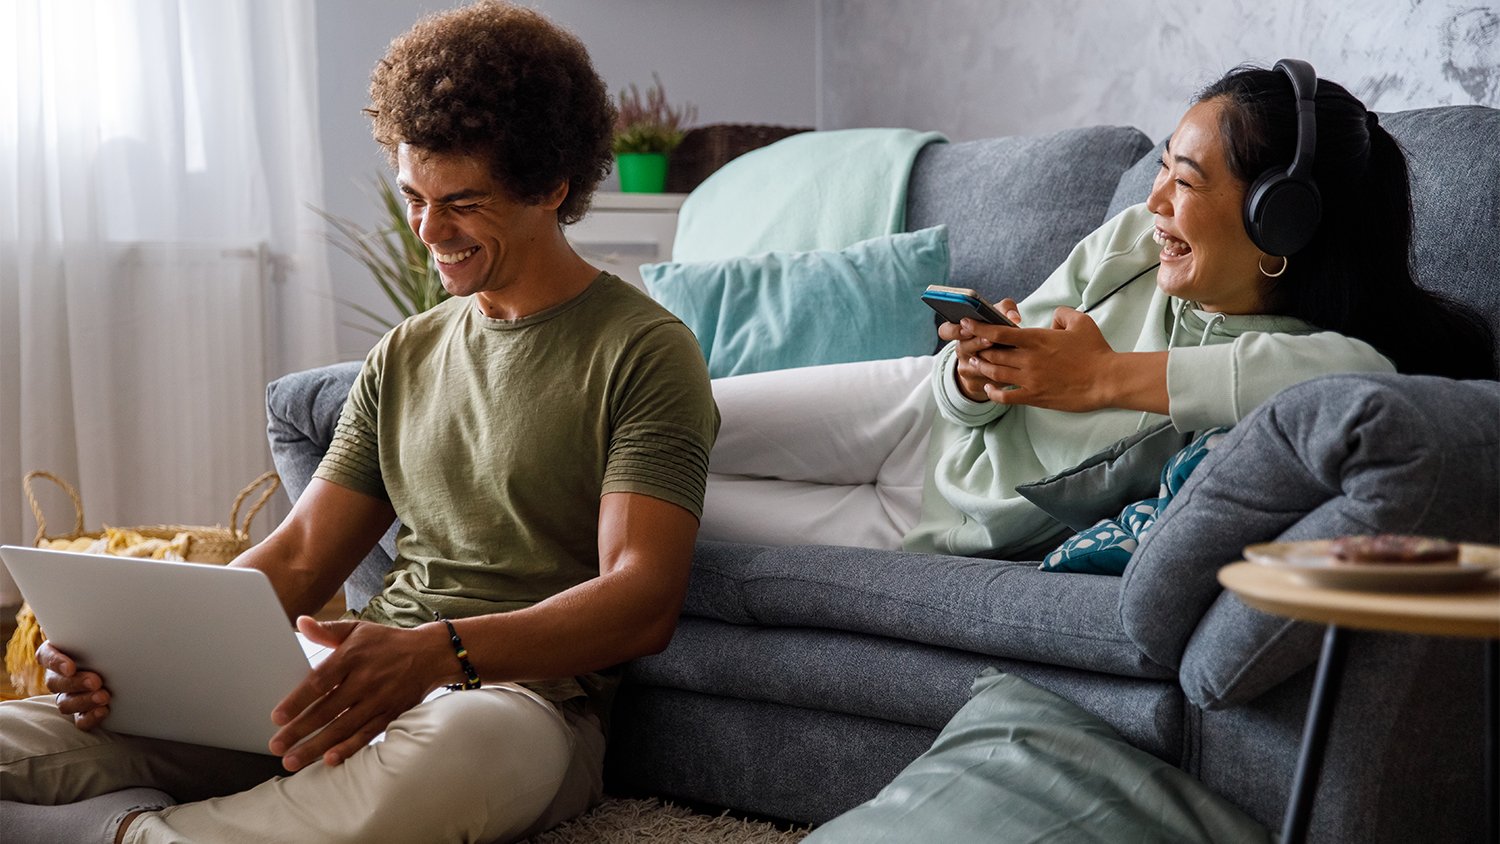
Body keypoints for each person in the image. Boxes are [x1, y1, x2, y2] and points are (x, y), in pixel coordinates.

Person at [0, 3, 718, 843]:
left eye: (462, 203)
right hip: (354, 678)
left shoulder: (646, 351)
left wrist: (439, 654)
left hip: (514, 705)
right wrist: (135, 656)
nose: (428, 230)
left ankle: (118, 834)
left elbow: (641, 599)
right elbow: (301, 558)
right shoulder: (406, 352)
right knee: (31, 732)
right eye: (413, 196)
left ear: (552, 186)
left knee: (470, 747)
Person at [701, 61, 1493, 556]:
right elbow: (996, 361)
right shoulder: (1140, 244)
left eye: (1184, 181)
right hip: (911, 409)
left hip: (929, 521)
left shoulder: (1317, 363)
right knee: (655, 420)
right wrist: (974, 377)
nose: (1153, 200)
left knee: (639, 499)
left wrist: (1102, 377)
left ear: (1276, 222)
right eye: (1163, 170)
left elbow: (1352, 375)